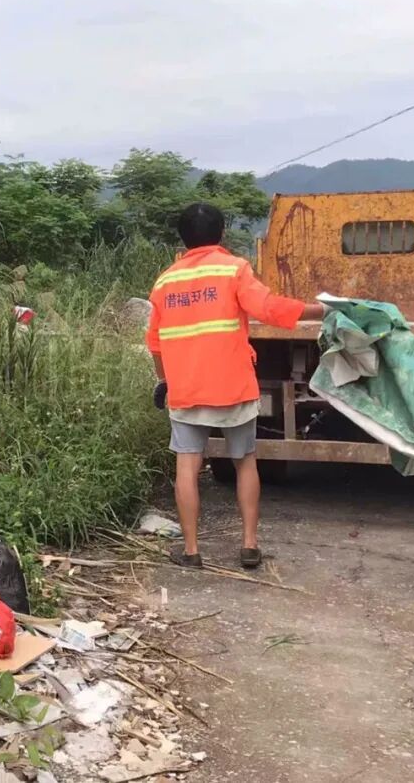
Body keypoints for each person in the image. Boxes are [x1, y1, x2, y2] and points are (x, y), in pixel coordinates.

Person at [145, 203, 325, 569]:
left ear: (182, 238)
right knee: (244, 462)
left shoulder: (165, 282)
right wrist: (322, 309)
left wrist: (165, 381)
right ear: (222, 232)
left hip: (187, 391)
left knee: (186, 467)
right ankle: (249, 546)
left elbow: (155, 344)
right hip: (233, 388)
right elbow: (269, 309)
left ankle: (191, 551)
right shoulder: (233, 269)